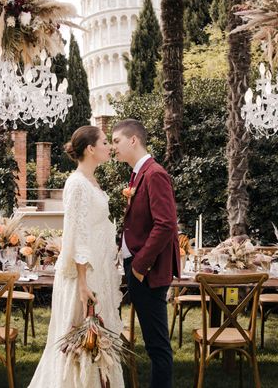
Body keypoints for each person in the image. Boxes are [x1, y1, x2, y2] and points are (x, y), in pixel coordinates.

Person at [28, 126, 123, 388]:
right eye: (105, 142)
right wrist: (82, 283)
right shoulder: (77, 183)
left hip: (99, 270)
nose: (109, 147)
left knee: (98, 340)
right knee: (80, 341)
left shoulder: (92, 181)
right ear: (91, 149)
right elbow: (79, 234)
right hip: (84, 275)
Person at [112, 118, 179, 388]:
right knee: (154, 345)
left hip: (148, 273)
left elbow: (166, 224)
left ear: (133, 140)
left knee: (157, 346)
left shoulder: (154, 174)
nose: (113, 147)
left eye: (116, 141)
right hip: (137, 269)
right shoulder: (138, 174)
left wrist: (139, 266)